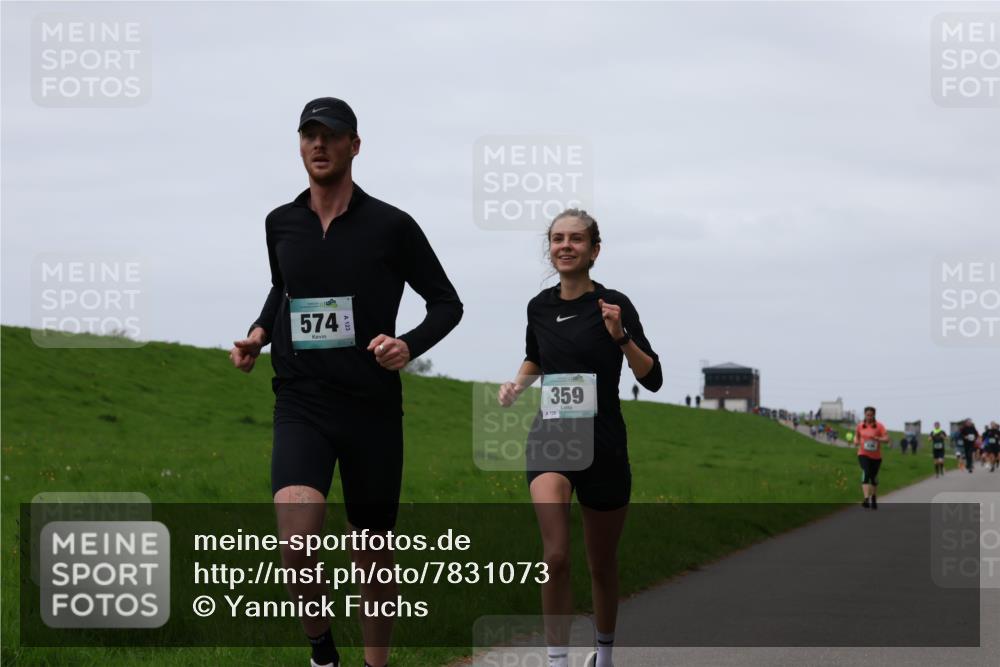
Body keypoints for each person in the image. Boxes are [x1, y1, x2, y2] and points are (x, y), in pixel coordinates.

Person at [229, 97, 463, 667]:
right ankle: (323, 652)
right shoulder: (279, 223)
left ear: (354, 145)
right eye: (309, 135)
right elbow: (283, 289)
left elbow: (447, 304)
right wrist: (260, 334)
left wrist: (407, 345)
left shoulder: (392, 225)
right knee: (296, 540)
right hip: (302, 400)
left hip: (371, 408)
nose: (319, 145)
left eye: (331, 135)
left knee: (372, 553)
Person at [497, 209, 661, 667]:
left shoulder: (614, 304)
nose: (565, 246)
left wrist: (621, 337)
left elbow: (654, 378)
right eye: (557, 239)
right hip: (552, 437)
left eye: (575, 239)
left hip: (604, 443)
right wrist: (516, 384)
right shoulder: (539, 306)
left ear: (594, 249)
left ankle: (604, 656)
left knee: (601, 564)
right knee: (554, 556)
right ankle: (557, 660)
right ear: (550, 248)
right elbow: (535, 357)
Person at [854, 406, 890, 510]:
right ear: (864, 414)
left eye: (871, 415)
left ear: (874, 415)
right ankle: (866, 499)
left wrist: (878, 438)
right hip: (863, 454)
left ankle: (873, 497)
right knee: (866, 472)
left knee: (873, 477)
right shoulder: (860, 426)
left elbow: (887, 439)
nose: (869, 417)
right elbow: (856, 436)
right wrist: (856, 441)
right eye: (867, 415)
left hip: (876, 456)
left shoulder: (879, 426)